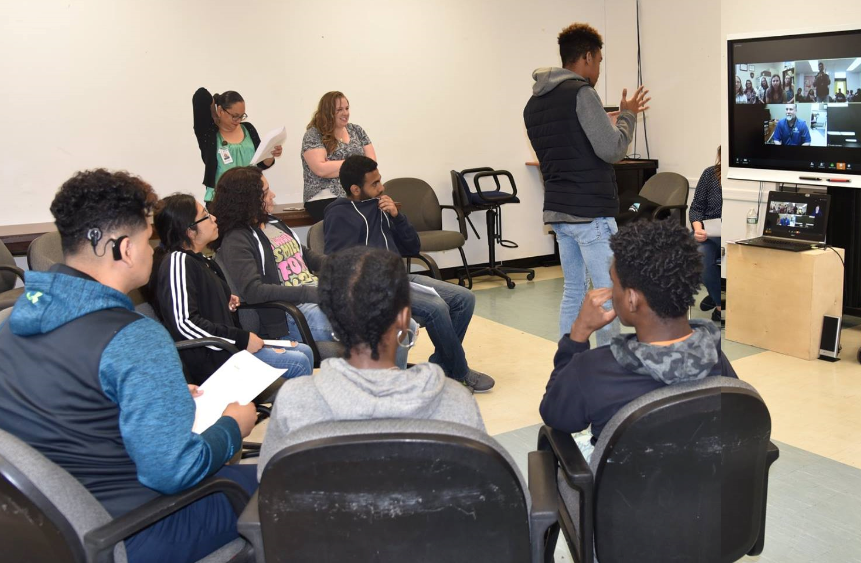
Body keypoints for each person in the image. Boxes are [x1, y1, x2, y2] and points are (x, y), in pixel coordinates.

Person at [0, 169, 258, 563]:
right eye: (147, 239)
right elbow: (174, 471)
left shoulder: (13, 323)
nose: (153, 249)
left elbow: (69, 404)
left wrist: (152, 396)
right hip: (136, 528)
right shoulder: (133, 337)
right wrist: (231, 427)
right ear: (124, 249)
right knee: (284, 480)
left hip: (49, 531)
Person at [257, 246, 486, 475]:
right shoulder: (454, 403)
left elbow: (271, 485)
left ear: (332, 320)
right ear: (405, 319)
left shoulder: (292, 402)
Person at [539, 220, 738, 461]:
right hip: (699, 492)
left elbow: (555, 415)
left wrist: (578, 334)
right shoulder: (716, 358)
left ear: (632, 299)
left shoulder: (594, 368)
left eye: (614, 284)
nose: (612, 292)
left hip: (620, 496)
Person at [324, 155, 495, 392]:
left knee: (465, 298)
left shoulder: (382, 205)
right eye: (374, 184)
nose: (381, 187)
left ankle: (443, 366)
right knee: (436, 308)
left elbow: (412, 248)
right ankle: (460, 372)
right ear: (355, 189)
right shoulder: (338, 214)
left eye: (380, 180)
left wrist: (397, 217)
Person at [523, 22, 649, 343]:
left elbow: (567, 149)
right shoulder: (582, 92)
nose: (598, 71)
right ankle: (609, 368)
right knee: (608, 293)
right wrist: (627, 116)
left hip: (559, 213)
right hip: (590, 213)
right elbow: (612, 149)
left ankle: (570, 360)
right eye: (599, 63)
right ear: (588, 57)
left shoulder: (533, 105)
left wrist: (602, 124)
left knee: (574, 292)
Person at [149, 193, 313, 384]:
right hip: (213, 359)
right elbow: (185, 324)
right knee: (298, 362)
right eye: (206, 215)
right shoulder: (177, 262)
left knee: (305, 351)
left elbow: (200, 303)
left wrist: (225, 300)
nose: (214, 218)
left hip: (226, 348)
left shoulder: (200, 260)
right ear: (190, 232)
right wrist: (241, 339)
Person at [192, 87, 282, 204]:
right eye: (234, 116)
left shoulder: (248, 129)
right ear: (220, 111)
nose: (238, 120)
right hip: (221, 201)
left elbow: (261, 164)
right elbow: (201, 95)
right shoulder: (208, 133)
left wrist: (271, 154)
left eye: (241, 116)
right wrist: (213, 113)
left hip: (251, 198)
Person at [301, 91, 376, 221]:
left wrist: (334, 165)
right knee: (350, 224)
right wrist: (356, 165)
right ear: (328, 112)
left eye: (347, 108)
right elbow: (321, 169)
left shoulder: (357, 130)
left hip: (356, 195)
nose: (345, 113)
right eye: (339, 109)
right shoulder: (314, 134)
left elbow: (370, 164)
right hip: (324, 197)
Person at [689, 147, 723, 323]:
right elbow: (696, 208)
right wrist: (697, 228)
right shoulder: (709, 174)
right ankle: (720, 306)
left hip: (736, 235)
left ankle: (715, 293)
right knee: (701, 256)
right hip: (708, 233)